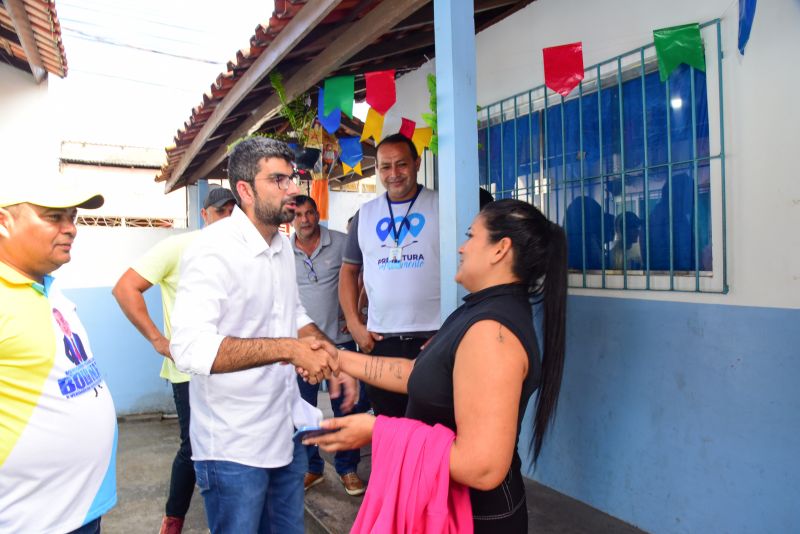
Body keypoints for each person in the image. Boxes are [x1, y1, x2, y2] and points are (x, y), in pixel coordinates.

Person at [310, 199, 568, 532]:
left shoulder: (492, 333)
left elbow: (483, 467)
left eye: (471, 236)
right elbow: (415, 374)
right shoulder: (477, 311)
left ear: (500, 250)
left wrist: (377, 430)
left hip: (474, 518)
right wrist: (336, 358)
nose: (462, 247)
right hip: (446, 507)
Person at [169, 137, 350, 534]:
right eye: (280, 180)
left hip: (286, 431)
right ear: (246, 190)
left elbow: (293, 314)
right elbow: (190, 348)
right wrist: (289, 350)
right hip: (233, 447)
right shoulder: (211, 250)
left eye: (293, 179)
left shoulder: (281, 245)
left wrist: (335, 360)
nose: (293, 190)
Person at [111, 187, 235, 534]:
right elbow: (125, 288)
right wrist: (156, 338)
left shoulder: (242, 252)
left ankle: (229, 519)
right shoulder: (179, 247)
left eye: (231, 212)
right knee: (194, 445)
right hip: (190, 372)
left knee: (229, 444)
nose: (225, 218)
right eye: (219, 211)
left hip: (232, 367)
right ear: (204, 215)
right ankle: (173, 519)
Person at [0, 179, 117, 533]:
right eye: (54, 217)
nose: (71, 229)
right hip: (28, 520)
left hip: (77, 511)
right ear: (4, 222)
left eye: (72, 216)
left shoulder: (46, 287)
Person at [340, 133, 440, 417]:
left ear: (417, 163)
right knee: (389, 427)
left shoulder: (441, 206)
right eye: (385, 167)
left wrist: (451, 332)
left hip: (433, 338)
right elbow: (348, 272)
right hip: (381, 341)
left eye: (401, 164)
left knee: (432, 432)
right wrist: (354, 324)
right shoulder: (365, 215)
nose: (393, 174)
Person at [291, 195, 369, 496]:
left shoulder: (340, 242)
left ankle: (348, 469)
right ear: (291, 219)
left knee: (347, 407)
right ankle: (313, 467)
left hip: (342, 340)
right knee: (303, 410)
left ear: (317, 213)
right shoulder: (283, 253)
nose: (305, 220)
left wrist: (354, 312)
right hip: (303, 347)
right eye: (298, 215)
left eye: (310, 213)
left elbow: (361, 274)